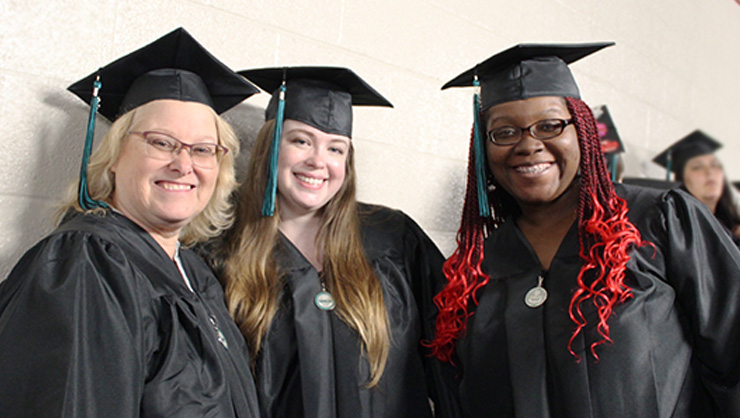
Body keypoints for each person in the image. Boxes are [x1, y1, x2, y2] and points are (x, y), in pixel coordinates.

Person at [428, 43, 740, 417]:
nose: (529, 145)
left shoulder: (659, 219)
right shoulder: (475, 268)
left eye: (549, 125)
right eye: (505, 132)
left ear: (584, 132)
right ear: (483, 148)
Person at [0, 28, 262, 417]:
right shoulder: (89, 264)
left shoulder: (193, 270)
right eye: (160, 142)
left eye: (203, 150)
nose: (184, 164)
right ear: (115, 154)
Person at [215, 66, 449, 417]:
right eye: (301, 141)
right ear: (271, 145)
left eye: (336, 149)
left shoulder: (393, 236)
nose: (318, 161)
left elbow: (448, 354)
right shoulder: (221, 245)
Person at [653, 130, 740, 241]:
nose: (709, 172)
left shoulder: (732, 226)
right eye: (697, 167)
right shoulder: (675, 229)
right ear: (681, 179)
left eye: (715, 165)